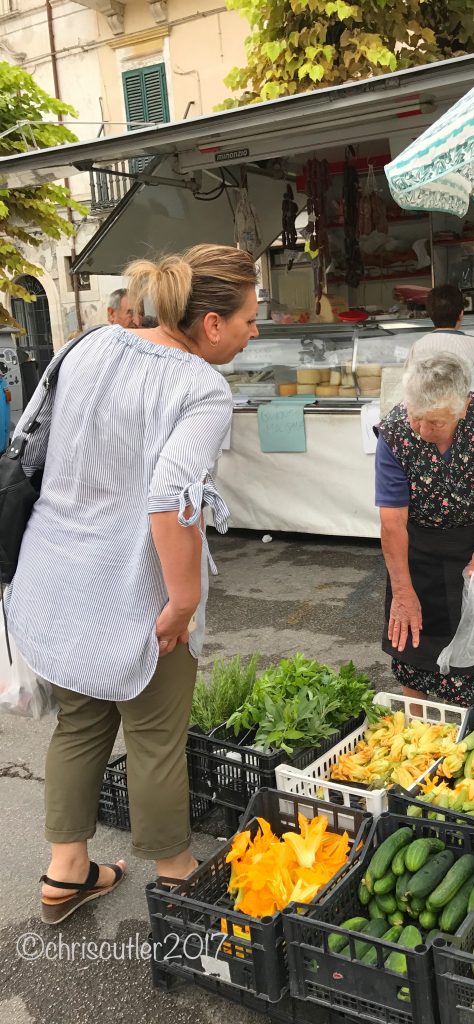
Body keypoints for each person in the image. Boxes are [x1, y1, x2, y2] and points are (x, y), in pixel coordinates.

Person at [6, 244, 258, 924]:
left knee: (81, 723)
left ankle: (66, 872)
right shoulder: (201, 388)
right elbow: (171, 498)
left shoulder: (89, 347)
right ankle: (176, 874)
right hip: (132, 585)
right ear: (210, 325)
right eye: (247, 320)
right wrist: (183, 600)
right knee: (153, 734)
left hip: (55, 574)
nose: (252, 331)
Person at [375, 352, 474, 707]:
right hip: (418, 551)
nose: (419, 427)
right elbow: (392, 521)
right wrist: (402, 590)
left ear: (462, 409)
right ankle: (417, 729)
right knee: (414, 650)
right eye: (415, 415)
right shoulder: (396, 430)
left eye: (433, 422)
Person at [404, 285, 474, 395]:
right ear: (461, 314)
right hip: (465, 409)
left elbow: (409, 386)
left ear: (430, 315)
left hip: (428, 410)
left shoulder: (418, 346)